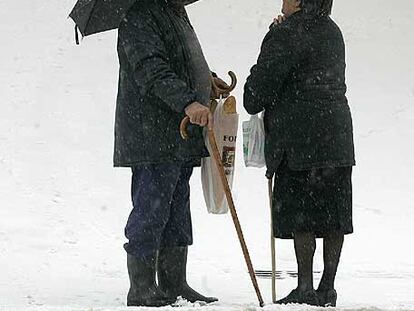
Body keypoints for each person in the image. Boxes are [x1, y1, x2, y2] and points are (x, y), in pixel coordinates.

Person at [114, 0, 227, 307]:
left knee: (177, 209)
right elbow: (151, 68)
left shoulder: (174, 12)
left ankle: (175, 283)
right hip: (151, 133)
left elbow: (182, 59)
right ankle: (141, 287)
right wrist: (188, 102)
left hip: (176, 133)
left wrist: (207, 79)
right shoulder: (138, 15)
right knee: (151, 209)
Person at [244, 0, 355, 307]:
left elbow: (255, 95)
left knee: (301, 212)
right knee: (334, 213)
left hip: (299, 137)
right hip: (337, 134)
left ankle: (305, 286)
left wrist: (273, 35)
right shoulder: (333, 32)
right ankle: (327, 287)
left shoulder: (287, 32)